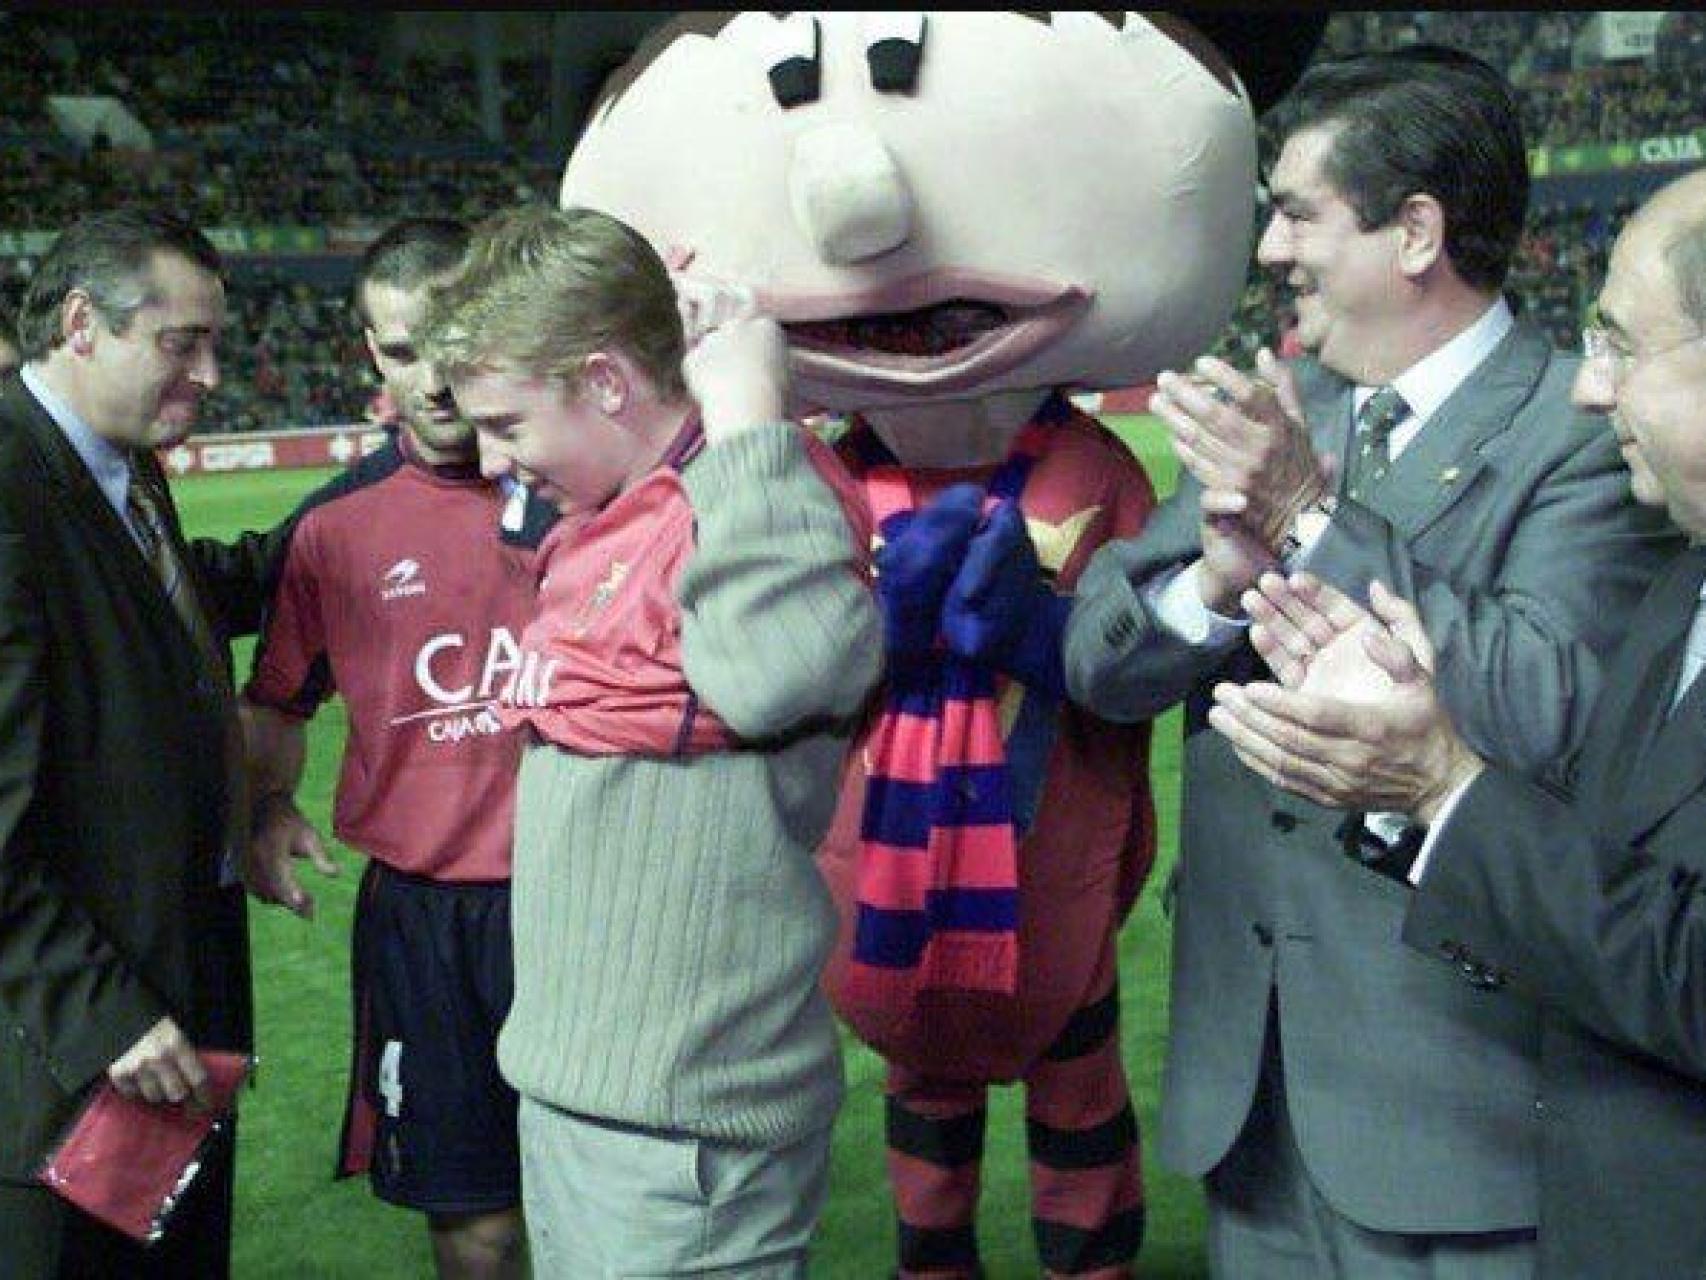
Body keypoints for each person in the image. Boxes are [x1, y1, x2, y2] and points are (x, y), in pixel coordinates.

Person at [1063, 46, 1682, 1278]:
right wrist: (1208, 587)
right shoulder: (1291, 408)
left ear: (1413, 232)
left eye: (1296, 214)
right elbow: (1095, 659)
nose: (1271, 252)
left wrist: (1308, 521)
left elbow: (1542, 706)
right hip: (1253, 1096)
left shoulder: (1581, 430)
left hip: (1455, 1105)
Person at [1208, 167, 1706, 1280]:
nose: (1591, 389)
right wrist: (1411, 777)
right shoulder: (1685, 578)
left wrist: (1442, 785)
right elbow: (1611, 854)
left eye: (1622, 345)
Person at [420, 203, 881, 1278]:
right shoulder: (610, 511)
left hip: (689, 1123)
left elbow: (779, 675)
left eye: (508, 422)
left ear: (607, 382)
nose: (492, 461)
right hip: (584, 1092)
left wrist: (750, 413)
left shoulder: (769, 485)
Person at [241, 218, 547, 1280]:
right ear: (370, 351)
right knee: (477, 1221)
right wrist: (270, 806)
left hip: (582, 895)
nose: (434, 378)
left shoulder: (583, 492)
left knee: (612, 1201)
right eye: (402, 349)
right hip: (423, 916)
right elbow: (278, 699)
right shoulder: (333, 529)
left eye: (453, 342)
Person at [0, 209, 281, 1278]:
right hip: (73, 1045)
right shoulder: (8, 486)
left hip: (175, 990)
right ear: (82, 324)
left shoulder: (114, 462)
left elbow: (161, 610)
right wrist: (104, 1010)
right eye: (182, 342)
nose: (209, 371)